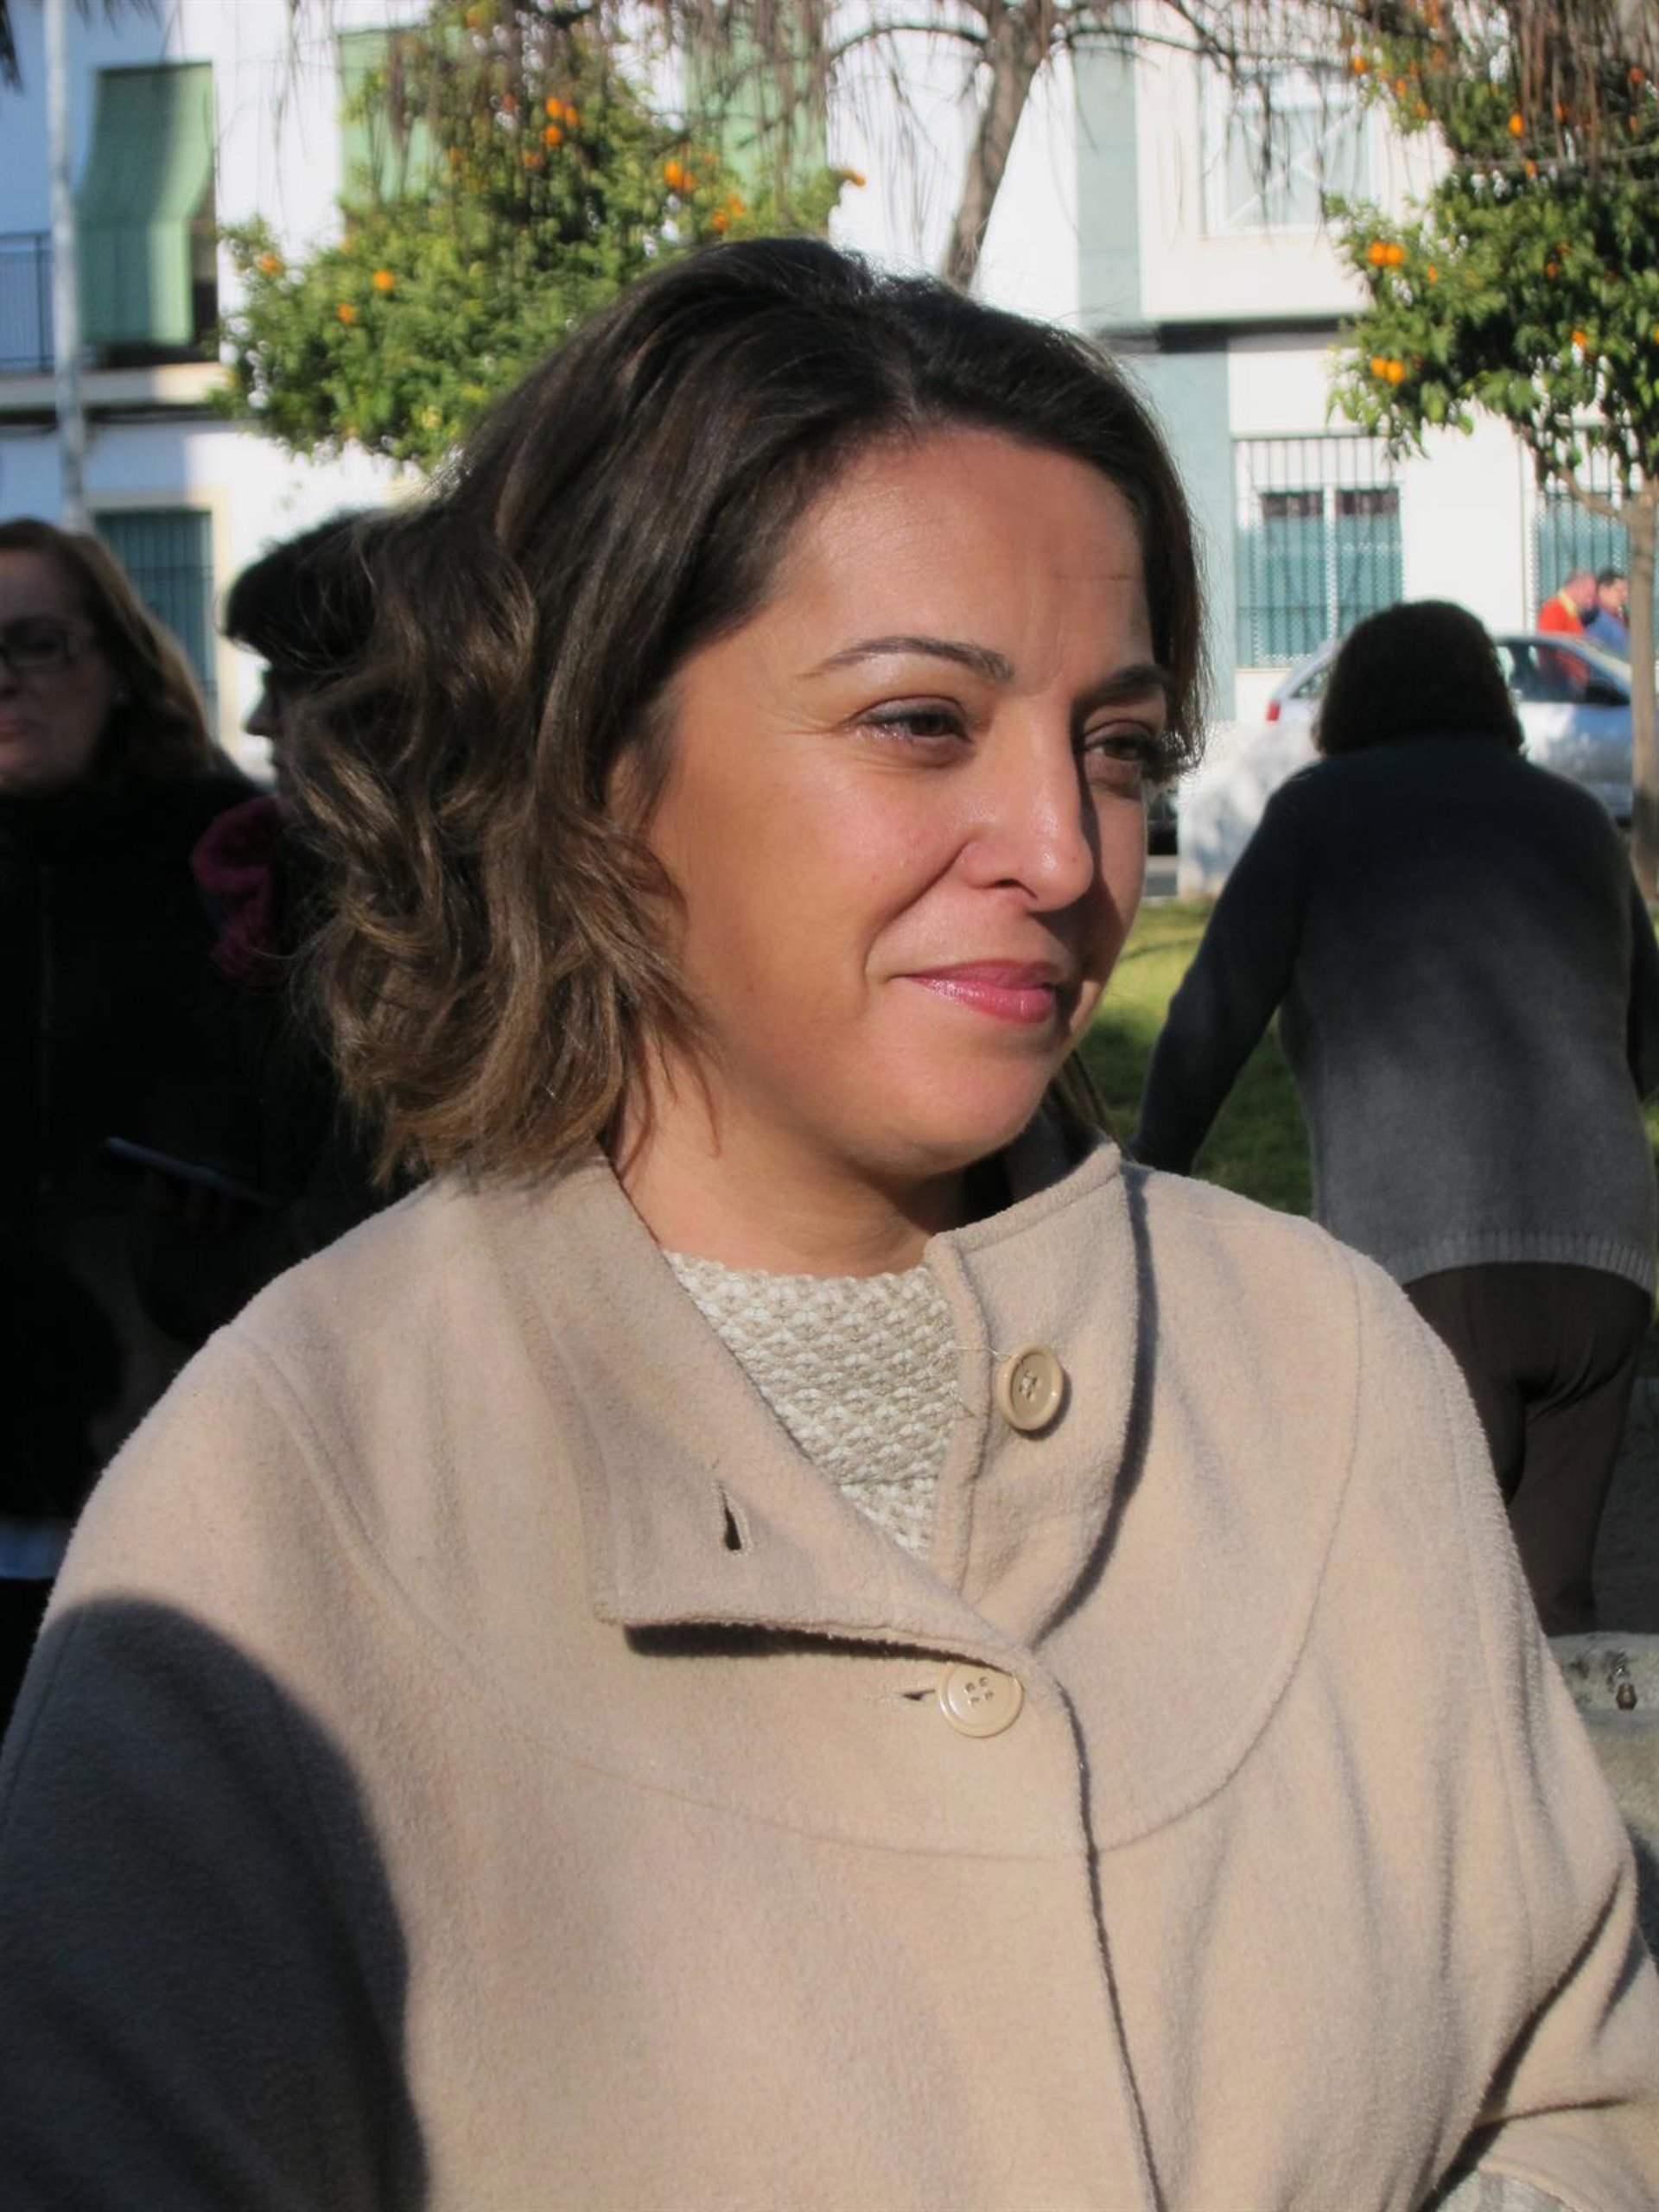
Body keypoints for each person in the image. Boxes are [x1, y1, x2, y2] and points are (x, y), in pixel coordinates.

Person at [2, 250, 1656, 2210]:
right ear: (593, 768)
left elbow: (1577, 2089)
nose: (1065, 850)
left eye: (1119, 746)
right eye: (921, 722)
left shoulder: (1334, 1366)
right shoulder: (277, 1513)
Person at [1135, 599, 1659, 1638]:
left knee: (1421, 1609)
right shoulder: (1575, 820)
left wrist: (1145, 1175)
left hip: (1424, 1254)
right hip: (1608, 1256)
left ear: (1353, 701)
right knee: (1552, 1614)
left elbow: (1210, 1018)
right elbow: (1646, 1049)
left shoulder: (1319, 814)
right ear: (1488, 695)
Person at [0, 517, 251, 1721]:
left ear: (118, 661)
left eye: (37, 643)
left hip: (174, 1452)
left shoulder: (227, 858)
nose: (4, 679)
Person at [127, 514, 391, 1348]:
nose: (255, 723)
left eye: (285, 684)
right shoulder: (276, 883)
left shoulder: (436, 930)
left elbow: (352, 1254)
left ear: (374, 697)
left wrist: (200, 1268)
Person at [1585, 567, 1631, 658]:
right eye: (1619, 590)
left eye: (1626, 591)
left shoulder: (1620, 617)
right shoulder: (1592, 617)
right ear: (1603, 590)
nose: (1625, 595)